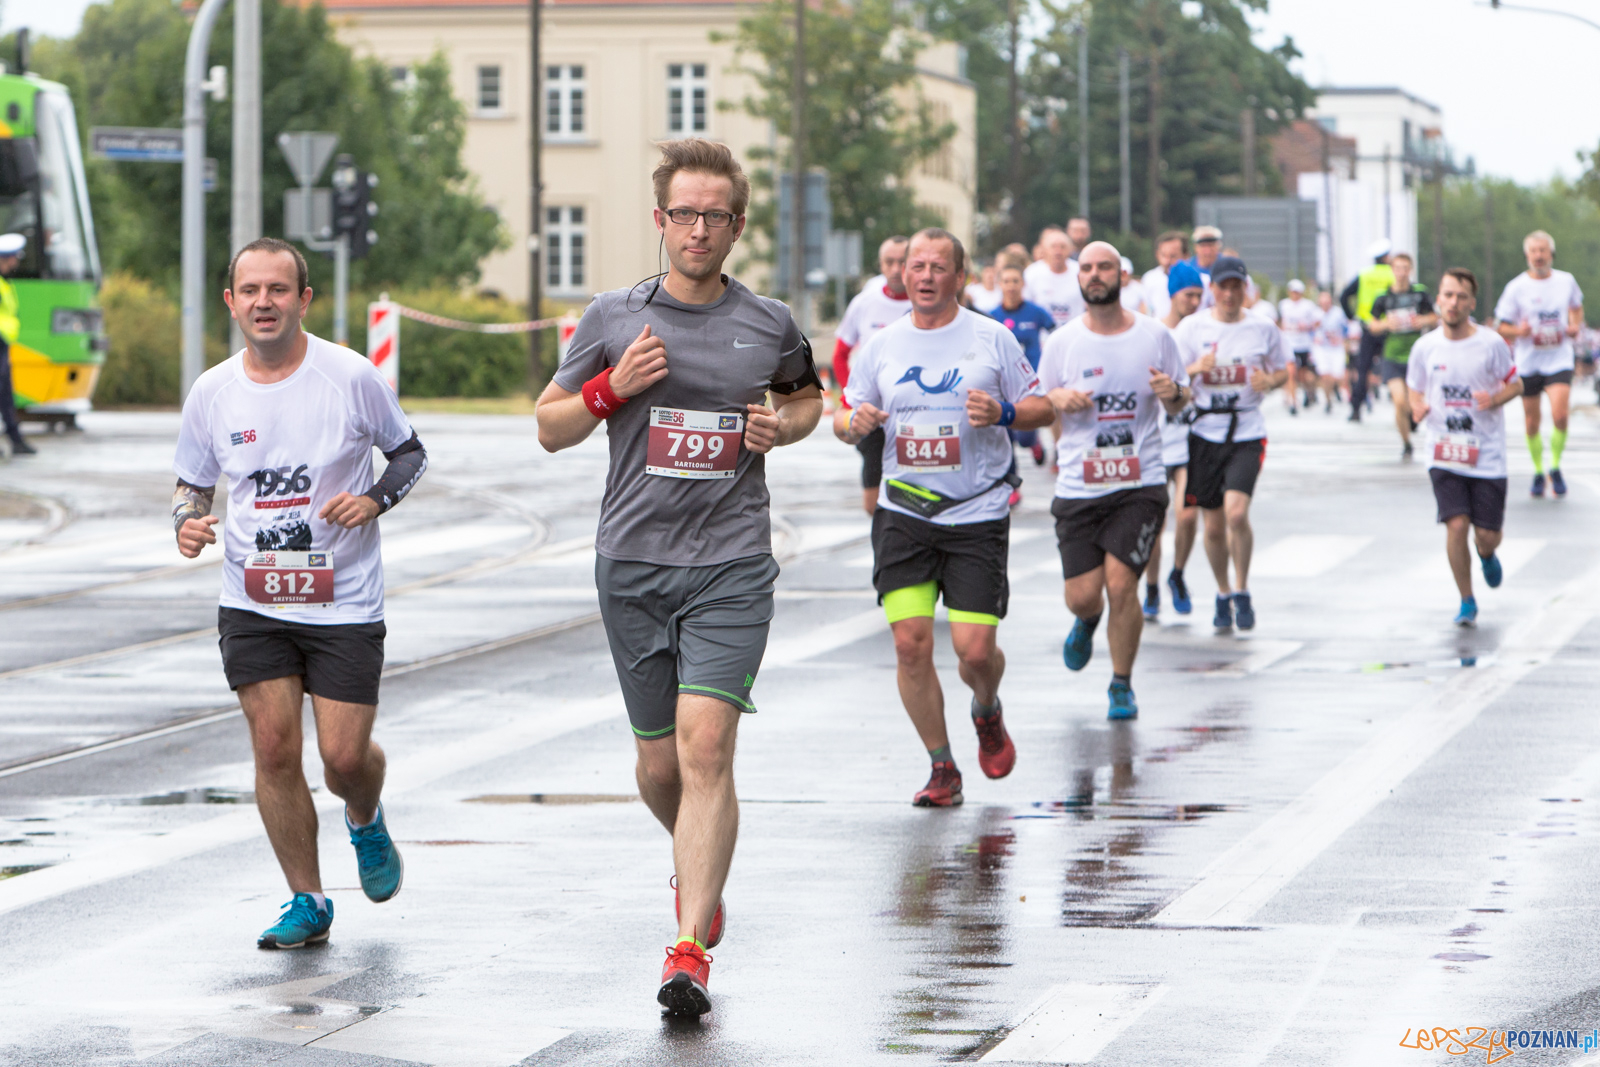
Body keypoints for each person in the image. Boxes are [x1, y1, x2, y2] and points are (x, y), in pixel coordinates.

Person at [536, 139, 823, 1016]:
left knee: (707, 749)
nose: (700, 229)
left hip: (730, 563)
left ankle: (689, 946)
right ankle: (701, 864)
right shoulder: (612, 318)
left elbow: (807, 395)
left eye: (717, 216)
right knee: (660, 765)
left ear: (738, 224)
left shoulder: (769, 322)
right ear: (660, 219)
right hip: (631, 563)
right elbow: (549, 427)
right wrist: (608, 389)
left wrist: (785, 423)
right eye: (684, 214)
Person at [170, 237, 425, 950]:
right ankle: (307, 899)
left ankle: (365, 815)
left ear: (303, 299)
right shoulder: (213, 392)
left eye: (278, 290)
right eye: (249, 290)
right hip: (253, 600)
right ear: (231, 301)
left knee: (343, 758)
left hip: (342, 600)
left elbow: (410, 452)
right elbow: (192, 482)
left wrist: (373, 500)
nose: (263, 302)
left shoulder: (348, 376)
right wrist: (187, 523)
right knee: (275, 748)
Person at [835, 227, 1051, 807]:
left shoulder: (991, 338)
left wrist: (1005, 410)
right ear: (903, 275)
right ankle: (942, 766)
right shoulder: (880, 344)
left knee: (975, 653)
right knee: (910, 645)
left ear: (960, 276)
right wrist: (850, 424)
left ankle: (986, 709)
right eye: (916, 266)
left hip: (976, 512)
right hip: (904, 511)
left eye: (938, 266)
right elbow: (846, 411)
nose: (925, 275)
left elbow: (1042, 405)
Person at [1040, 243, 1189, 719]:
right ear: (1079, 279)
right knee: (1083, 595)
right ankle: (1087, 619)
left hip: (1139, 483)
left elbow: (1181, 399)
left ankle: (1121, 683)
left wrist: (1173, 394)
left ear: (1121, 275)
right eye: (1086, 268)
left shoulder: (1155, 336)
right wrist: (1058, 397)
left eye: (1104, 267)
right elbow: (1041, 404)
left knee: (1122, 583)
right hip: (1079, 486)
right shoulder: (1062, 342)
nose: (1095, 274)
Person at [1172, 255, 1288, 632]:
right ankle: (1222, 592)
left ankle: (1242, 589)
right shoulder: (1191, 329)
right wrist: (1195, 370)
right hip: (1205, 433)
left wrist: (1269, 382)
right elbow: (1172, 379)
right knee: (1214, 526)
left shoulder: (1263, 327)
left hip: (1247, 431)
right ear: (1213, 290)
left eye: (1236, 286)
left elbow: (1284, 369)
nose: (1229, 294)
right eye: (1223, 287)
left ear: (1245, 289)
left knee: (1237, 513)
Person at [1408, 268, 1521, 627]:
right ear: (1438, 299)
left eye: (1460, 297)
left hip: (1486, 453)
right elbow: (1415, 387)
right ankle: (1466, 599)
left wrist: (1496, 397)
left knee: (1486, 535)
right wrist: (1417, 406)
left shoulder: (1490, 343)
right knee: (1456, 524)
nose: (1453, 302)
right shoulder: (1425, 346)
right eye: (1447, 295)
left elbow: (1515, 385)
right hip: (1443, 450)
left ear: (1471, 303)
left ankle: (1486, 554)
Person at [1494, 230, 1584, 497]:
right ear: (1527, 256)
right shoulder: (1516, 287)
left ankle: (1554, 466)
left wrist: (1574, 325)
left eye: (1543, 250)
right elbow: (1501, 326)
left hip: (1558, 357)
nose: (1539, 256)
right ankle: (1537, 470)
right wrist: (1518, 332)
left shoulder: (1566, 281)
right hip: (1529, 360)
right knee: (1532, 421)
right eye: (1534, 251)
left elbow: (1576, 307)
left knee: (1560, 415)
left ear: (1551, 254)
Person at [834, 236, 912, 515]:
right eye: (889, 262)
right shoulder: (864, 302)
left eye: (902, 262)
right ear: (880, 265)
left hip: (913, 411)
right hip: (872, 411)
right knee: (874, 503)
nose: (895, 269)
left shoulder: (925, 301)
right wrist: (849, 397)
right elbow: (840, 355)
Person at [1147, 261, 1206, 618]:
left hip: (1189, 436)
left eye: (1200, 295)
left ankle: (1178, 574)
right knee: (1155, 523)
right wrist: (1196, 370)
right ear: (1173, 295)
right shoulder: (1154, 332)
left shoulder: (1204, 331)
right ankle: (1151, 586)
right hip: (1156, 438)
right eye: (1189, 294)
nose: (1195, 301)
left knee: (1187, 515)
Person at [990, 255, 1056, 470]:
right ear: (999, 284)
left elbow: (1055, 333)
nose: (1011, 286)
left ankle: (1033, 442)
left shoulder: (1035, 312)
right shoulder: (992, 316)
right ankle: (1013, 486)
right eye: (1006, 281)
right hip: (1003, 382)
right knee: (1006, 433)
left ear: (1023, 284)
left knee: (1024, 436)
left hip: (1030, 381)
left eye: (1015, 281)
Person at [1369, 253, 1438, 460]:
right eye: (1397, 268)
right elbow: (1372, 325)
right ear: (1392, 270)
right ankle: (1406, 441)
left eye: (1405, 268)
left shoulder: (1420, 293)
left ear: (1410, 270)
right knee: (1399, 401)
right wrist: (1386, 324)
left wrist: (1422, 320)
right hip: (1392, 355)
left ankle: (1415, 424)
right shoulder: (1383, 297)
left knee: (1417, 401)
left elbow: (1435, 318)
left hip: (1416, 355)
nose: (1401, 273)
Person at [1340, 240, 1395, 422]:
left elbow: (1344, 295)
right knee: (1396, 366)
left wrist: (1351, 316)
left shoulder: (1364, 275)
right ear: (1387, 257)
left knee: (1363, 369)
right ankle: (1404, 408)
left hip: (1367, 327)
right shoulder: (1393, 275)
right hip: (1389, 328)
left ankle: (1356, 409)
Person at [0, 233, 34, 456]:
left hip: (3, 343)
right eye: (14, 258)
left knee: (5, 393)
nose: (16, 263)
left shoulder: (5, 282)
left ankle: (16, 439)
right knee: (3, 391)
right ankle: (15, 438)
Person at [1024, 226, 1086, 327]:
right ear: (1044, 250)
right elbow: (1025, 306)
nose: (1058, 251)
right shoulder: (1032, 273)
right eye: (1053, 247)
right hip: (1043, 337)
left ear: (1070, 250)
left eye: (1062, 247)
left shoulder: (1080, 271)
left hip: (1073, 333)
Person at [1279, 280, 1320, 411]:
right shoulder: (1284, 304)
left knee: (1304, 374)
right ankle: (1293, 402)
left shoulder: (1308, 306)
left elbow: (1317, 323)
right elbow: (1281, 322)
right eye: (1292, 292)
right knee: (1291, 372)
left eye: (1296, 292)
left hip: (1304, 344)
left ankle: (1309, 392)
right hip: (1289, 344)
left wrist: (1307, 326)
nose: (1294, 294)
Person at [1310, 289, 1350, 414]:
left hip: (1335, 348)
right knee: (1325, 375)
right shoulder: (1315, 314)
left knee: (1336, 376)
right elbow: (1310, 331)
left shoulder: (1338, 313)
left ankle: (1335, 391)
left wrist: (1342, 340)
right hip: (1322, 348)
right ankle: (1328, 400)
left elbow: (1346, 330)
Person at [1142, 231, 1189, 322]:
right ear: (1157, 254)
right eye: (1163, 255)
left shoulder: (1202, 281)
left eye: (1173, 256)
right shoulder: (1149, 278)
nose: (1166, 261)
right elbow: (1147, 309)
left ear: (1186, 256)